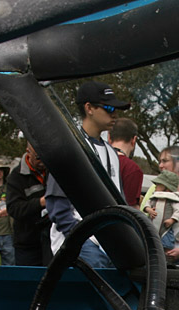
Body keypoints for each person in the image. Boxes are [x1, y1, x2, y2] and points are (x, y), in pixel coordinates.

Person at [46, 81, 130, 268]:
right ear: (89, 108)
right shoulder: (68, 147)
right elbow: (57, 206)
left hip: (109, 242)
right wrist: (81, 241)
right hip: (79, 242)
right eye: (109, 108)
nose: (115, 114)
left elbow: (119, 201)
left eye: (117, 109)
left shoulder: (112, 154)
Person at [6, 142, 54, 267]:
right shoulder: (16, 177)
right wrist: (41, 202)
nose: (42, 161)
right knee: (29, 281)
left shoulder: (53, 170)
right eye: (38, 157)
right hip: (27, 243)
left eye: (45, 156)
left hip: (51, 241)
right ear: (28, 152)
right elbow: (13, 208)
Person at [144, 170, 179, 256]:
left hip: (165, 229)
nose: (155, 187)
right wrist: (149, 210)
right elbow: (146, 204)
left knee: (165, 244)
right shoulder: (154, 197)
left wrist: (172, 220)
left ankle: (165, 258)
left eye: (158, 185)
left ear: (167, 187)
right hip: (152, 226)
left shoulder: (174, 199)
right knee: (148, 241)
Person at [109, 118, 143, 208]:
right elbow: (131, 210)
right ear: (134, 140)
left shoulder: (94, 159)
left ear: (109, 137)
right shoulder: (132, 169)